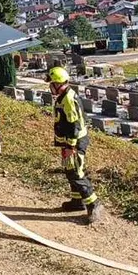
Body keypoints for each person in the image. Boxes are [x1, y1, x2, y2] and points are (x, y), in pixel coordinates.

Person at [49, 66, 105, 224]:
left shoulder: (68, 99)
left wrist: (70, 147)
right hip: (67, 142)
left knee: (76, 172)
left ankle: (94, 204)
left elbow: (75, 125)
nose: (50, 87)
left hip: (74, 142)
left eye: (52, 84)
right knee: (69, 170)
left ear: (58, 84)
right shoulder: (63, 96)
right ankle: (77, 201)